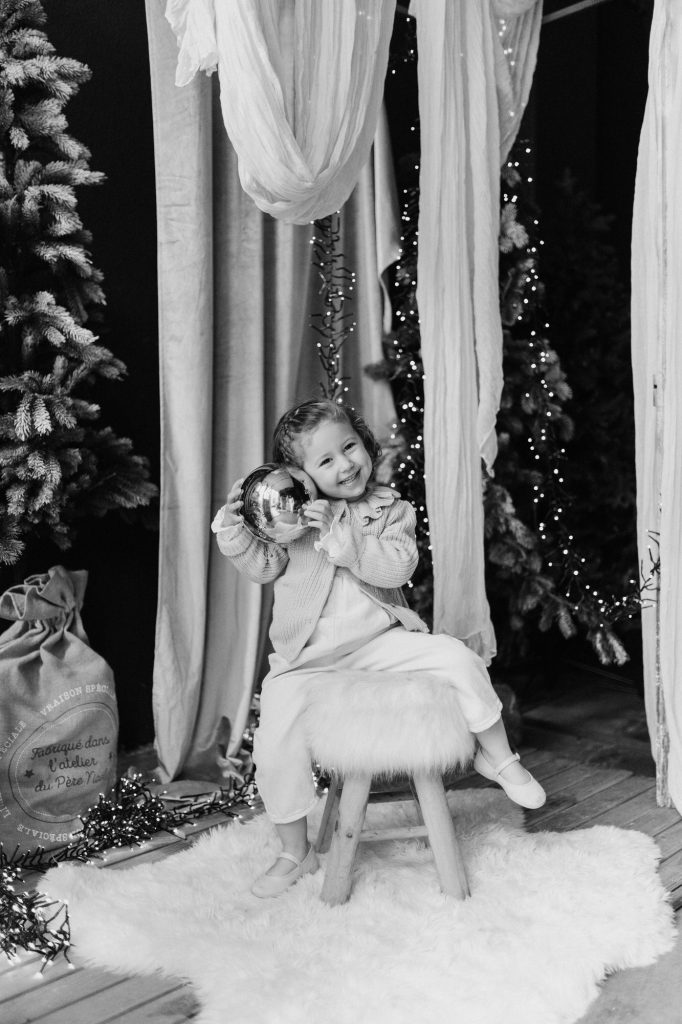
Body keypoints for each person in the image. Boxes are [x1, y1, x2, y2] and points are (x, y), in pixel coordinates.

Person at [212, 399, 545, 898]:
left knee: (457, 656)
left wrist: (341, 537)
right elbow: (261, 567)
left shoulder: (389, 508)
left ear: (364, 443)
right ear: (299, 476)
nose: (345, 464)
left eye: (349, 447)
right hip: (305, 659)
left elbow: (396, 569)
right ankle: (293, 849)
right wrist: (234, 527)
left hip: (380, 642)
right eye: (325, 461)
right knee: (273, 741)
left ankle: (498, 755)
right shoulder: (291, 521)